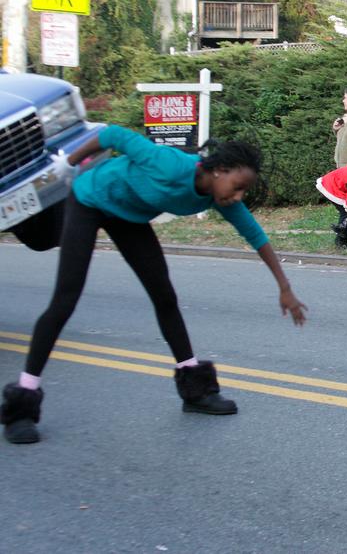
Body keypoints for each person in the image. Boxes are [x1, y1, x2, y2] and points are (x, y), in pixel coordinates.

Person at [1, 126, 308, 444]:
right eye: (238, 187)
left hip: (129, 216)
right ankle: (22, 402)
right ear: (219, 170)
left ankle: (195, 390)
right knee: (65, 299)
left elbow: (256, 236)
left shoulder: (220, 198)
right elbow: (114, 135)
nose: (238, 196)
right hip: (90, 199)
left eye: (244, 191)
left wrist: (284, 287)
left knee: (165, 297)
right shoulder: (168, 164)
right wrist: (70, 163)